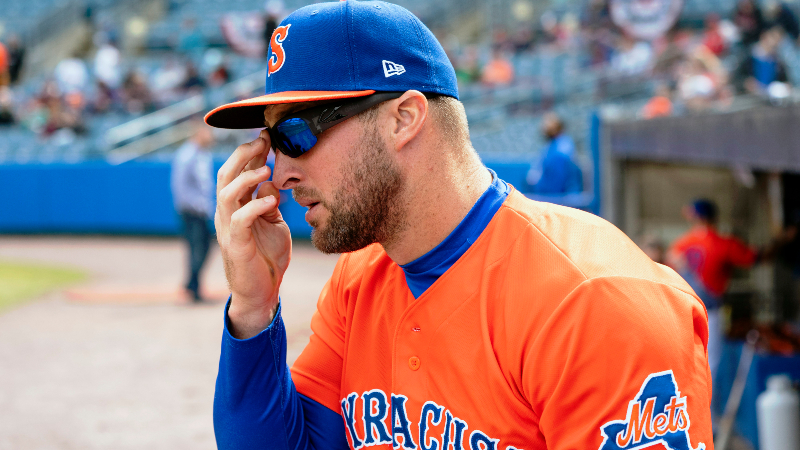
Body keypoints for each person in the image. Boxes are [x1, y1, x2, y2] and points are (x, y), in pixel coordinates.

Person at [204, 2, 714, 449]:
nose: (281, 172)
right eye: (272, 143)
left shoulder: (594, 302)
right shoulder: (359, 281)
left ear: (403, 118)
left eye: (295, 134)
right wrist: (253, 308)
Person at [667, 199, 758, 383]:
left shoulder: (680, 245)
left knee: (683, 362)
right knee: (711, 364)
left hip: (681, 311)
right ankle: (709, 411)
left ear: (695, 217)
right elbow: (753, 258)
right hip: (711, 314)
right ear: (714, 217)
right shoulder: (723, 243)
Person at [171, 125, 215, 302]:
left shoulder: (203, 154)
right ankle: (193, 288)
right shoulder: (186, 154)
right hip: (191, 211)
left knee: (203, 248)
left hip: (201, 211)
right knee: (196, 249)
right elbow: (180, 186)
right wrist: (193, 206)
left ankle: (191, 284)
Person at [526, 113, 583, 194]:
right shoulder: (554, 144)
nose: (543, 127)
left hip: (562, 200)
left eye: (547, 124)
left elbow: (555, 186)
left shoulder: (560, 150)